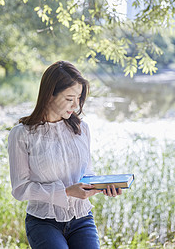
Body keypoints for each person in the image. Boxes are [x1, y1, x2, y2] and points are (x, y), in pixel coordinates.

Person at [8, 61, 122, 249]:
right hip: (43, 222)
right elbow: (20, 189)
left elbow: (86, 173)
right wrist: (67, 192)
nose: (76, 105)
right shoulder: (21, 134)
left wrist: (102, 186)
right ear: (49, 95)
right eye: (70, 98)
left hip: (82, 218)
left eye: (79, 97)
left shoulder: (81, 129)